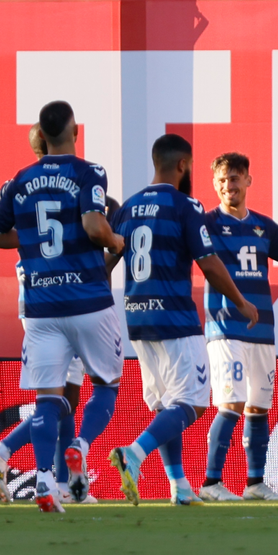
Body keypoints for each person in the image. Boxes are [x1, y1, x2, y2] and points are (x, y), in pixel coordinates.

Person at [0, 101, 126, 513]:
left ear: (40, 136)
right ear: (74, 131)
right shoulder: (88, 172)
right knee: (106, 386)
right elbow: (95, 227)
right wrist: (114, 242)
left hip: (40, 308)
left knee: (50, 398)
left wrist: (29, 238)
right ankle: (78, 447)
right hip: (87, 300)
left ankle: (46, 480)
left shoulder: (17, 181)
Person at [106, 134, 259, 506]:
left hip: (138, 322)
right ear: (183, 165)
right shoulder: (185, 205)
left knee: (165, 404)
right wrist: (240, 301)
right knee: (192, 404)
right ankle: (135, 454)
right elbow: (208, 262)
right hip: (175, 320)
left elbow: (107, 264)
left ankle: (179, 486)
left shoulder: (128, 207)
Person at [199, 152, 278, 502]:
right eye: (221, 180)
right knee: (230, 403)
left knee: (258, 407)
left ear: (248, 181)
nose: (228, 186)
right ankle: (210, 482)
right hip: (225, 328)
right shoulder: (206, 224)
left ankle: (254, 483)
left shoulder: (263, 226)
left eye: (234, 178)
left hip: (262, 331)